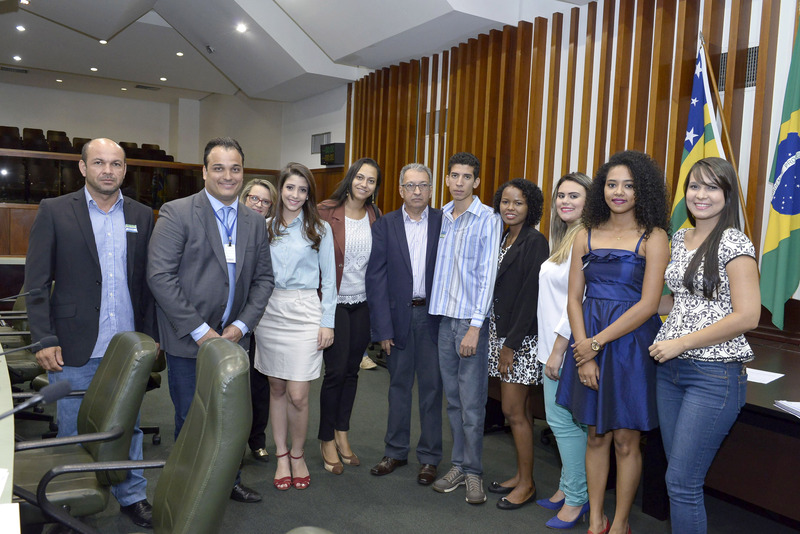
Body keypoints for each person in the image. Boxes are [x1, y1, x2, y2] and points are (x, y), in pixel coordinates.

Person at [24, 138, 158, 528]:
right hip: (71, 344)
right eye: (99, 162)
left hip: (127, 348)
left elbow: (147, 283)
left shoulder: (141, 214)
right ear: (83, 167)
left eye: (116, 164)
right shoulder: (54, 210)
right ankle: (69, 504)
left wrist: (150, 338)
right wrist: (44, 338)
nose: (108, 170)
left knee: (128, 426)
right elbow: (36, 284)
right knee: (72, 428)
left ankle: (132, 496)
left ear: (125, 170)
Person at [147, 137, 274, 504]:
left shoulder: (254, 221)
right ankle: (188, 493)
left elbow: (264, 280)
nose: (227, 176)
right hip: (190, 341)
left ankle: (229, 481)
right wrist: (202, 332)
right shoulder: (177, 212)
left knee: (231, 417)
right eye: (218, 168)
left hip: (235, 341)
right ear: (204, 172)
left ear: (243, 173)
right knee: (193, 420)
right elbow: (160, 276)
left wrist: (241, 326)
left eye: (235, 168)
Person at [555, 150, 670, 534]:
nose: (618, 192)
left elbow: (649, 304)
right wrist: (584, 353)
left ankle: (620, 523)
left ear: (643, 190)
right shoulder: (584, 234)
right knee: (595, 435)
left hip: (630, 346)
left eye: (628, 185)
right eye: (611, 184)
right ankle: (596, 520)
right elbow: (574, 299)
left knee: (625, 440)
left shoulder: (655, 237)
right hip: (588, 341)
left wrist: (595, 344)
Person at [649, 157, 760, 534]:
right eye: (695, 186)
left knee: (682, 483)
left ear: (727, 195)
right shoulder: (679, 237)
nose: (701, 194)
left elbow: (748, 315)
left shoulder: (734, 241)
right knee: (677, 477)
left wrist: (681, 342)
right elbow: (681, 301)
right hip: (670, 371)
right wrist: (631, 305)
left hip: (713, 375)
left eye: (712, 187)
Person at [253, 163, 336, 491]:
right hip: (270, 311)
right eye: (290, 188)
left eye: (303, 190)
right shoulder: (264, 227)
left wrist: (327, 323)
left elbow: (329, 281)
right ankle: (282, 455)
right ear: (280, 189)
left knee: (298, 394)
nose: (295, 195)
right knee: (276, 387)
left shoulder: (319, 229)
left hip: (305, 312)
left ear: (309, 194)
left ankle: (298, 454)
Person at [429, 152, 502, 505]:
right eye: (454, 176)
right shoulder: (440, 216)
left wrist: (475, 326)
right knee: (454, 402)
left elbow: (488, 276)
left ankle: (473, 472)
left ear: (476, 181)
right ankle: (458, 465)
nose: (459, 182)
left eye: (467, 177)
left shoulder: (488, 219)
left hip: (470, 324)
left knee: (472, 405)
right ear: (446, 179)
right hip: (444, 321)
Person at [365, 163, 444, 485]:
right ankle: (395, 451)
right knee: (398, 386)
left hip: (433, 317)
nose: (417, 191)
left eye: (423, 185)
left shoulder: (444, 221)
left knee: (431, 389)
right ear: (400, 190)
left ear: (431, 190)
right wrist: (382, 329)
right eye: (410, 185)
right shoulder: (385, 225)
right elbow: (376, 279)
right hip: (398, 318)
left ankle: (430, 458)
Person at [484, 178, 549, 510]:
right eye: (505, 202)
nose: (510, 208)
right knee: (518, 410)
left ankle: (527, 484)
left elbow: (530, 297)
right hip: (500, 333)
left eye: (518, 203)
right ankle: (521, 476)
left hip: (519, 339)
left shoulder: (535, 242)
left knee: (514, 411)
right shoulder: (503, 237)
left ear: (531, 207)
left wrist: (510, 345)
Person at [317, 157, 382, 474]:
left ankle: (342, 432)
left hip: (363, 303)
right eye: (360, 177)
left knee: (353, 372)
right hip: (335, 302)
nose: (364, 184)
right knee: (336, 372)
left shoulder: (375, 215)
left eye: (371, 180)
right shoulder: (325, 211)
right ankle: (326, 437)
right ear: (350, 178)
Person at [538, 172, 593, 529]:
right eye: (561, 195)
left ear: (589, 201)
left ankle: (576, 499)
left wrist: (558, 350)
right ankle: (566, 487)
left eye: (574, 195)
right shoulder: (564, 238)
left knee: (565, 425)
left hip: (566, 348)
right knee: (563, 423)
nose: (565, 201)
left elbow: (579, 300)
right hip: (550, 346)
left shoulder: (585, 239)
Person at [240, 178, 278, 462]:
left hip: (263, 316)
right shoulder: (230, 226)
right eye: (254, 198)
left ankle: (257, 439)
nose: (259, 205)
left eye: (266, 202)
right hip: (231, 316)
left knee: (259, 382)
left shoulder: (272, 231)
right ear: (244, 198)